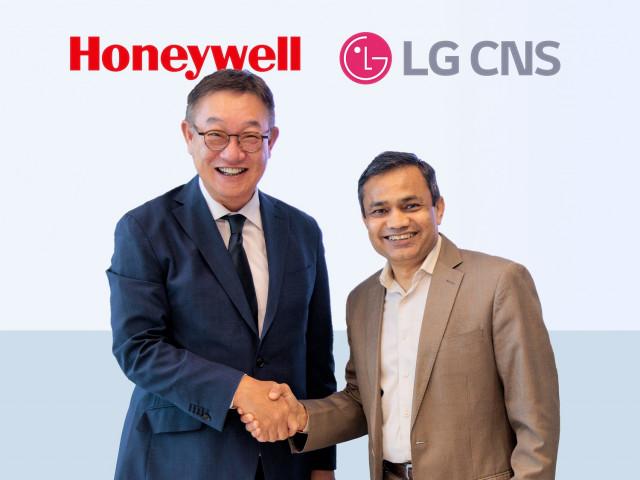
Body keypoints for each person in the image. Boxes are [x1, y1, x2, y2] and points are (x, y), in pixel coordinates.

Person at [242, 152, 560, 479]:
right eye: (380, 211)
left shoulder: (499, 282)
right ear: (366, 221)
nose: (397, 222)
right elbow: (361, 401)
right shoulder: (361, 301)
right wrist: (300, 416)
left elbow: (536, 418)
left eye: (411, 206)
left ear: (438, 208)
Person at [107, 69, 336, 480]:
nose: (232, 153)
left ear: (271, 140)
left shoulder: (302, 230)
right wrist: (239, 389)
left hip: (284, 464)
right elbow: (138, 348)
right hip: (178, 462)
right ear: (188, 135)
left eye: (249, 136)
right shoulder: (144, 228)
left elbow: (317, 358)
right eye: (215, 135)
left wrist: (322, 464)